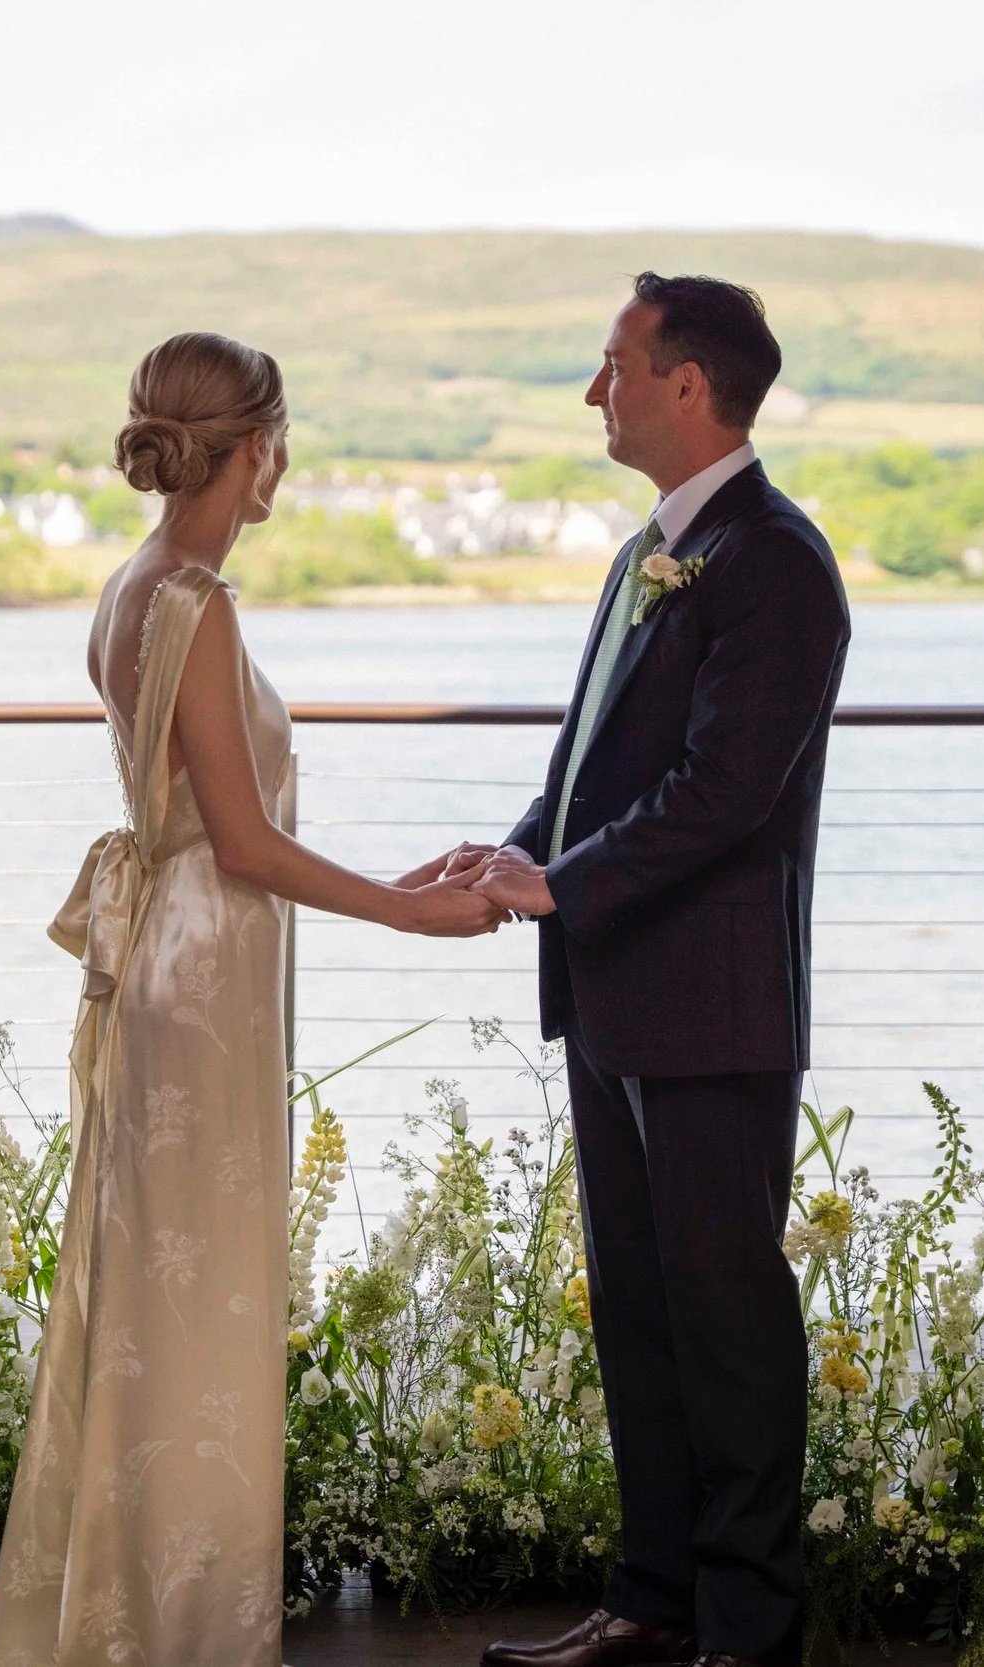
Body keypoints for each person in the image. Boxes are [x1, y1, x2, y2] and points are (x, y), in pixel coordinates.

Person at [0, 331, 505, 1667]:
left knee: (166, 1291)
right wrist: (414, 913)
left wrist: (375, 876)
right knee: (201, 1295)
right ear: (261, 447)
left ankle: (141, 1598)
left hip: (181, 956)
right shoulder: (196, 603)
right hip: (204, 971)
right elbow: (241, 845)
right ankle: (177, 1624)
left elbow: (212, 821)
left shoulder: (136, 582)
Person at [462, 274, 851, 1667]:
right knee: (637, 1309)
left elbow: (724, 792)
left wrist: (558, 883)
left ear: (686, 385)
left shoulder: (777, 561)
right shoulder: (651, 552)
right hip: (617, 994)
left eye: (611, 363)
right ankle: (650, 1598)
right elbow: (592, 765)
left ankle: (745, 1633)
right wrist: (505, 855)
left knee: (727, 1326)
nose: (593, 390)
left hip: (714, 1010)